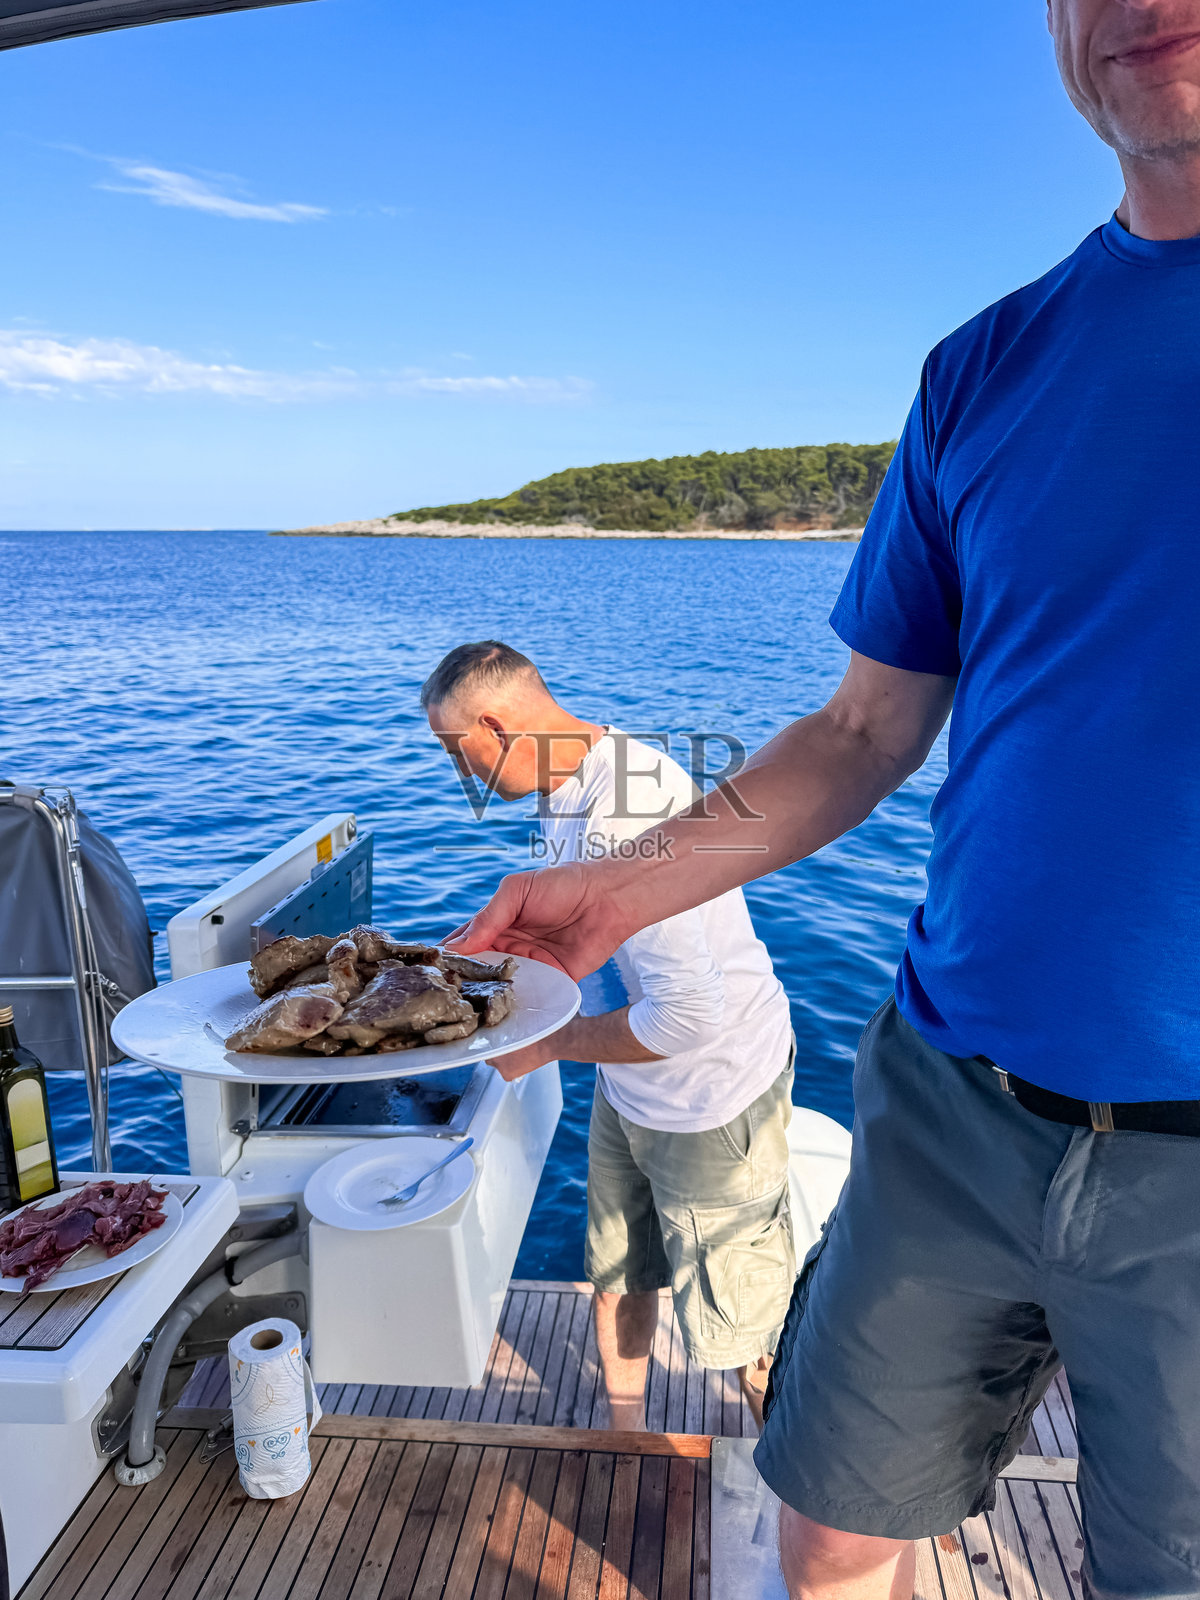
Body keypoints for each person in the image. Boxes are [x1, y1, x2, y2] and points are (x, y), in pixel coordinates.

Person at [444, 3, 1200, 1592]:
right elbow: (862, 733)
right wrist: (619, 890)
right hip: (947, 1105)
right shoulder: (985, 368)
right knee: (833, 1524)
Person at [420, 641, 796, 1430]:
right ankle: (625, 1437)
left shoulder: (629, 808)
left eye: (459, 753)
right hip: (630, 1077)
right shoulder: (576, 778)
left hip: (712, 1094)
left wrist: (551, 1043)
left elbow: (691, 1017)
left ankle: (787, 1472)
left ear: (494, 722)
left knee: (742, 1331)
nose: (463, 775)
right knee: (619, 1272)